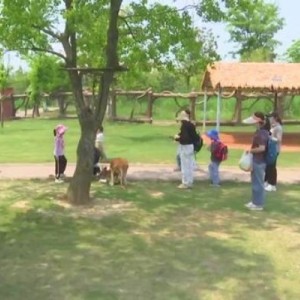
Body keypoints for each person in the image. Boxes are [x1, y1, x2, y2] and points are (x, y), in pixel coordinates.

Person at [243, 112, 270, 211]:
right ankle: (255, 201)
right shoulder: (259, 131)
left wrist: (250, 150)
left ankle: (258, 204)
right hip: (256, 160)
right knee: (255, 182)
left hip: (259, 161)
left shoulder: (262, 133)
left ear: (258, 122)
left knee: (258, 183)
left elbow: (262, 148)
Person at [174, 110, 198, 189]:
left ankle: (185, 183)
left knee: (185, 165)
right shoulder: (192, 125)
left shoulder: (185, 125)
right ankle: (190, 182)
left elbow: (185, 138)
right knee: (190, 165)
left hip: (185, 146)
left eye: (182, 114)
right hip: (191, 146)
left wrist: (178, 138)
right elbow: (194, 137)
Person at [264, 112, 283, 192]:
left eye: (270, 117)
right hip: (270, 149)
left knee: (272, 167)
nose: (269, 119)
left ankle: (272, 185)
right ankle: (267, 182)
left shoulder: (278, 127)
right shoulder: (273, 127)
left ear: (275, 118)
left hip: (274, 150)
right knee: (268, 166)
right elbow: (270, 135)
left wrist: (270, 137)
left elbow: (279, 139)